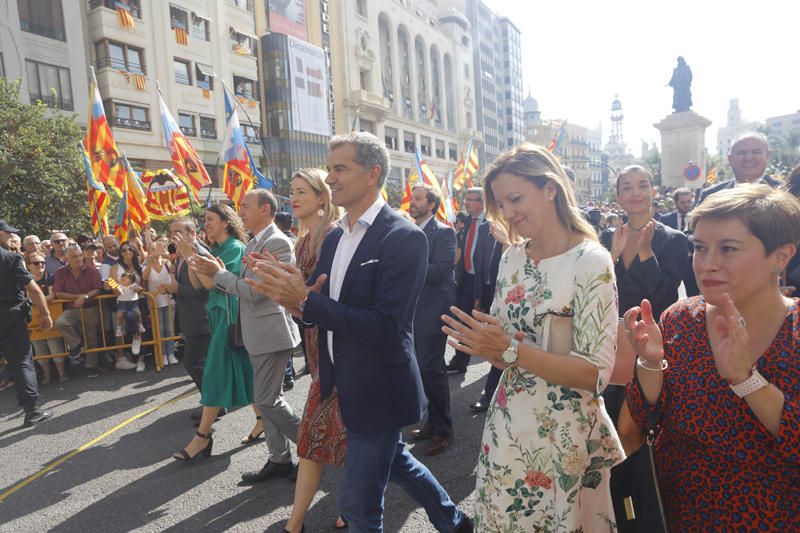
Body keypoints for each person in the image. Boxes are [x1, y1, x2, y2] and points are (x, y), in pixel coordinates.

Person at [249, 132, 472, 532]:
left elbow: (386, 328)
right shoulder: (336, 236)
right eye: (329, 168)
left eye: (340, 168)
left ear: (372, 174)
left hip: (379, 390)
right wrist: (295, 302)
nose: (330, 178)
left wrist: (308, 301)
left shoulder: (405, 238)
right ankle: (455, 523)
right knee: (399, 463)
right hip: (340, 383)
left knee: (358, 509)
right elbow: (322, 310)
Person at [441, 144, 623, 531]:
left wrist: (508, 349)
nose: (507, 212)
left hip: (563, 436)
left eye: (515, 198)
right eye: (501, 204)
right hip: (506, 426)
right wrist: (487, 345)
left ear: (551, 189)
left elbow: (595, 375)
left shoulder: (591, 261)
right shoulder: (511, 257)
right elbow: (504, 352)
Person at [624, 184, 800, 530]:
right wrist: (650, 363)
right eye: (700, 248)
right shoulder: (678, 319)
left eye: (728, 249)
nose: (707, 264)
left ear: (781, 256)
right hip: (675, 515)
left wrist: (746, 380)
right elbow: (643, 417)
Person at [192, 189, 302, 482]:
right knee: (267, 398)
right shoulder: (256, 241)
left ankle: (311, 447)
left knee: (267, 401)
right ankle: (279, 459)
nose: (239, 210)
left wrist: (219, 274)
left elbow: (255, 292)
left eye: (245, 205)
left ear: (265, 209)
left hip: (271, 332)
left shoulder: (276, 241)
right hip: (256, 333)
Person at [282, 168, 347, 533]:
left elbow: (325, 299)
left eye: (301, 190)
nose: (293, 196)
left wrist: (299, 297)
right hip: (316, 352)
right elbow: (304, 302)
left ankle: (356, 505)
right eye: (291, 190)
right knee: (318, 438)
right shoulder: (302, 241)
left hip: (337, 353)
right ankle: (297, 522)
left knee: (333, 437)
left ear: (322, 197)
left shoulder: (333, 237)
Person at [173, 204, 254, 461]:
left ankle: (202, 437)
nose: (205, 224)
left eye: (210, 219)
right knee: (246, 373)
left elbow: (215, 284)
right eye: (205, 219)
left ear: (226, 222)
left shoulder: (234, 248)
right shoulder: (216, 249)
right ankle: (263, 419)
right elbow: (201, 285)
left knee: (212, 376)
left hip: (229, 319)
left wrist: (192, 255)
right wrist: (189, 257)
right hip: (217, 315)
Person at [407, 183, 457, 456]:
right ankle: (430, 422)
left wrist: (405, 262)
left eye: (417, 199)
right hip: (412, 312)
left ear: (432, 205)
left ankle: (443, 431)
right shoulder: (409, 231)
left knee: (432, 370)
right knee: (421, 370)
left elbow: (441, 271)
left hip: (433, 310)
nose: (411, 202)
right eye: (412, 198)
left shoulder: (444, 232)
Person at [0, 220, 53, 426]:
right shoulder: (10, 258)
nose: (11, 237)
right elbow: (33, 288)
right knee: (21, 361)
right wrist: (45, 313)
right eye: (7, 233)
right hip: (10, 315)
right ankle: (32, 411)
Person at [170, 217, 211, 406]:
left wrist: (175, 288)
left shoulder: (198, 253)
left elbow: (202, 289)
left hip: (200, 319)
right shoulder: (181, 254)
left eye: (178, 232)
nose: (173, 236)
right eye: (171, 233)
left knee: (194, 363)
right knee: (201, 364)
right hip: (189, 318)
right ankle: (213, 404)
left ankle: (214, 404)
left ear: (192, 233)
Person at [446, 187, 486, 374]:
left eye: (471, 199)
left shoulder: (492, 222)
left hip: (486, 282)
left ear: (482, 202)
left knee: (488, 322)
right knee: (462, 320)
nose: (467, 203)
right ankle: (460, 361)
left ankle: (497, 371)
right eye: (466, 199)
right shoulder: (465, 222)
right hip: (466, 279)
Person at [53, 244, 105, 377]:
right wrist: (79, 297)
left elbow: (98, 288)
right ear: (66, 258)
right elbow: (58, 293)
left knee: (92, 337)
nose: (78, 259)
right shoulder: (60, 272)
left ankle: (90, 367)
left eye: (80, 255)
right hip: (72, 308)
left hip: (90, 307)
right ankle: (76, 344)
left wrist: (86, 296)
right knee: (60, 322)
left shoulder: (92, 270)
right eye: (74, 256)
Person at [698, 131, 780, 204]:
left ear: (768, 155)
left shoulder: (785, 191)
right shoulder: (710, 196)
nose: (748, 158)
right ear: (730, 158)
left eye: (756, 152)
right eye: (741, 153)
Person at [26, 252, 67, 384]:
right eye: (36, 263)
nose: (40, 265)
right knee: (39, 347)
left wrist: (34, 301)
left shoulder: (50, 277)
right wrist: (38, 301)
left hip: (51, 316)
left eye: (43, 262)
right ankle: (47, 376)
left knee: (54, 344)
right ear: (28, 266)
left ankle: (62, 374)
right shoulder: (25, 279)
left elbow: (52, 296)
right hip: (33, 321)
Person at [108, 242, 146, 371]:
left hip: (138, 302)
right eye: (123, 250)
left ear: (134, 251)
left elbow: (144, 284)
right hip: (121, 302)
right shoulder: (115, 267)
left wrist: (139, 288)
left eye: (130, 249)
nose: (127, 252)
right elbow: (110, 281)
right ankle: (121, 358)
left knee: (140, 328)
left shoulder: (139, 267)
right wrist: (117, 288)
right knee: (119, 330)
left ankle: (141, 359)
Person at [143, 237, 178, 366]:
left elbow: (174, 273)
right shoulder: (147, 266)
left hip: (168, 301)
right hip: (154, 302)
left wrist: (166, 257)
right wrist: (151, 261)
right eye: (153, 250)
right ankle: (162, 354)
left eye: (157, 249)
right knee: (160, 329)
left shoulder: (167, 263)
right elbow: (144, 277)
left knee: (169, 329)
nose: (156, 252)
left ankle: (171, 353)